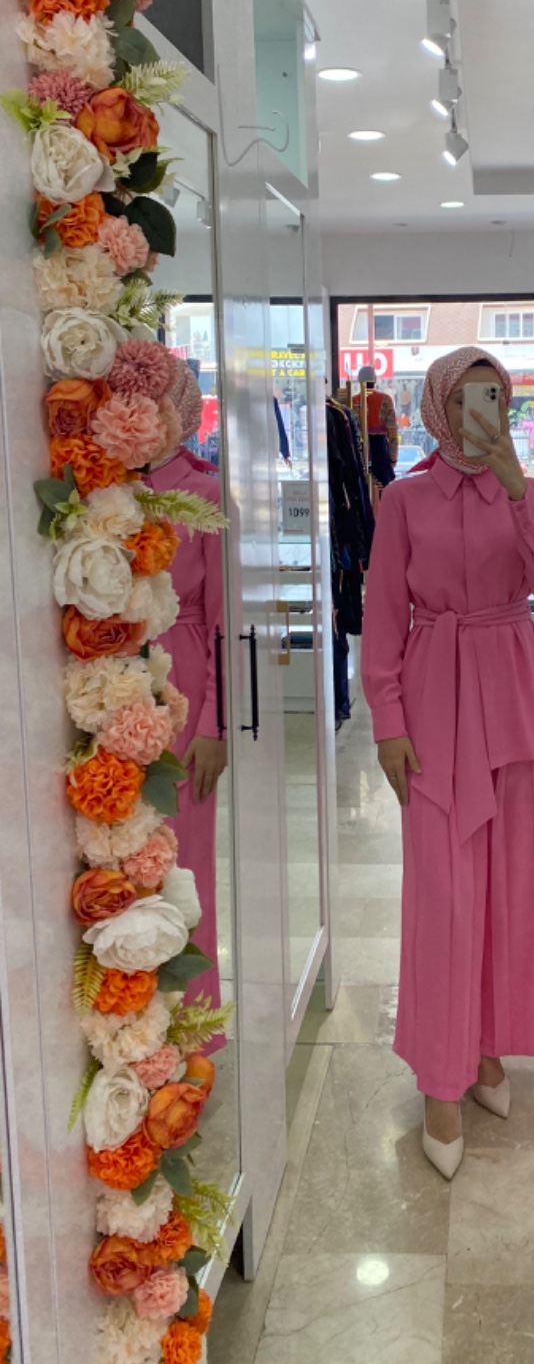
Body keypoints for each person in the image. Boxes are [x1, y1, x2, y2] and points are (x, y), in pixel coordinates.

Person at [361, 346, 534, 1180]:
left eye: (494, 397)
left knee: (512, 886)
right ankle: (439, 1078)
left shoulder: (527, 490)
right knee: (445, 894)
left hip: (515, 695)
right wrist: (388, 720)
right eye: (465, 398)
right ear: (438, 405)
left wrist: (520, 488)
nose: (480, 411)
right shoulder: (404, 499)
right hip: (437, 697)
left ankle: (490, 1045)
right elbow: (384, 615)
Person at [146, 361, 227, 1042]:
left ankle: (191, 1029)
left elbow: (228, 622)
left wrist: (215, 723)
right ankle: (132, 1026)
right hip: (110, 681)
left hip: (186, 681)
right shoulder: (102, 489)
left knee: (186, 861)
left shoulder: (204, 492)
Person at [353, 366, 399, 488]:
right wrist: (393, 458)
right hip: (380, 450)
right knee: (380, 491)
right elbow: (392, 433)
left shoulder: (352, 402)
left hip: (358, 451)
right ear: (375, 379)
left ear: (359, 380)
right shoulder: (385, 400)